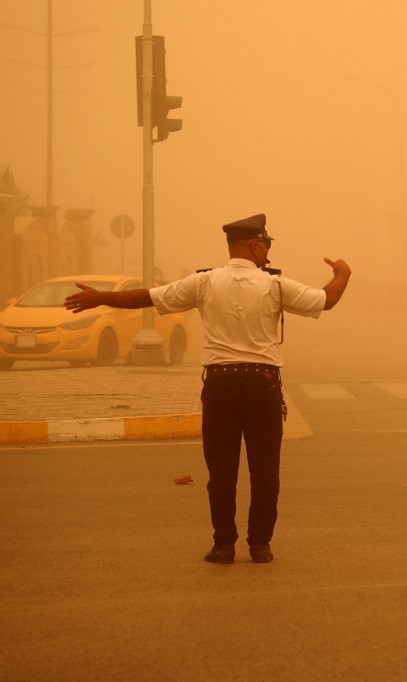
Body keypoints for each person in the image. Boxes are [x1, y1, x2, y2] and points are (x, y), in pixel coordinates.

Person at [64, 213, 352, 565]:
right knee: (265, 469)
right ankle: (260, 546)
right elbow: (327, 299)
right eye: (266, 248)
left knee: (221, 469)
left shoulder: (204, 282)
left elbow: (150, 298)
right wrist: (343, 273)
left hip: (221, 383)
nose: (267, 255)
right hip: (262, 384)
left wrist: (101, 298)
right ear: (257, 246)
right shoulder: (275, 286)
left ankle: (223, 545)